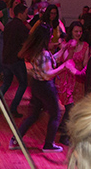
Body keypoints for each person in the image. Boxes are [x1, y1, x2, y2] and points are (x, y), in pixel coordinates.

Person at [10, 24, 72, 153]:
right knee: (55, 114)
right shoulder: (43, 53)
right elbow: (48, 74)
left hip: (36, 85)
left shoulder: (36, 51)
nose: (52, 38)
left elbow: (49, 61)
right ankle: (49, 144)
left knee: (33, 115)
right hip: (45, 87)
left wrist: (63, 49)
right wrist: (64, 66)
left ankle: (15, 140)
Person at [0, 0, 30, 116]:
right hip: (16, 60)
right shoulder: (21, 28)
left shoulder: (8, 25)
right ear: (21, 14)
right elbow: (26, 43)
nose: (27, 16)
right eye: (26, 13)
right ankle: (13, 108)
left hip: (6, 59)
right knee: (23, 83)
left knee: (6, 83)